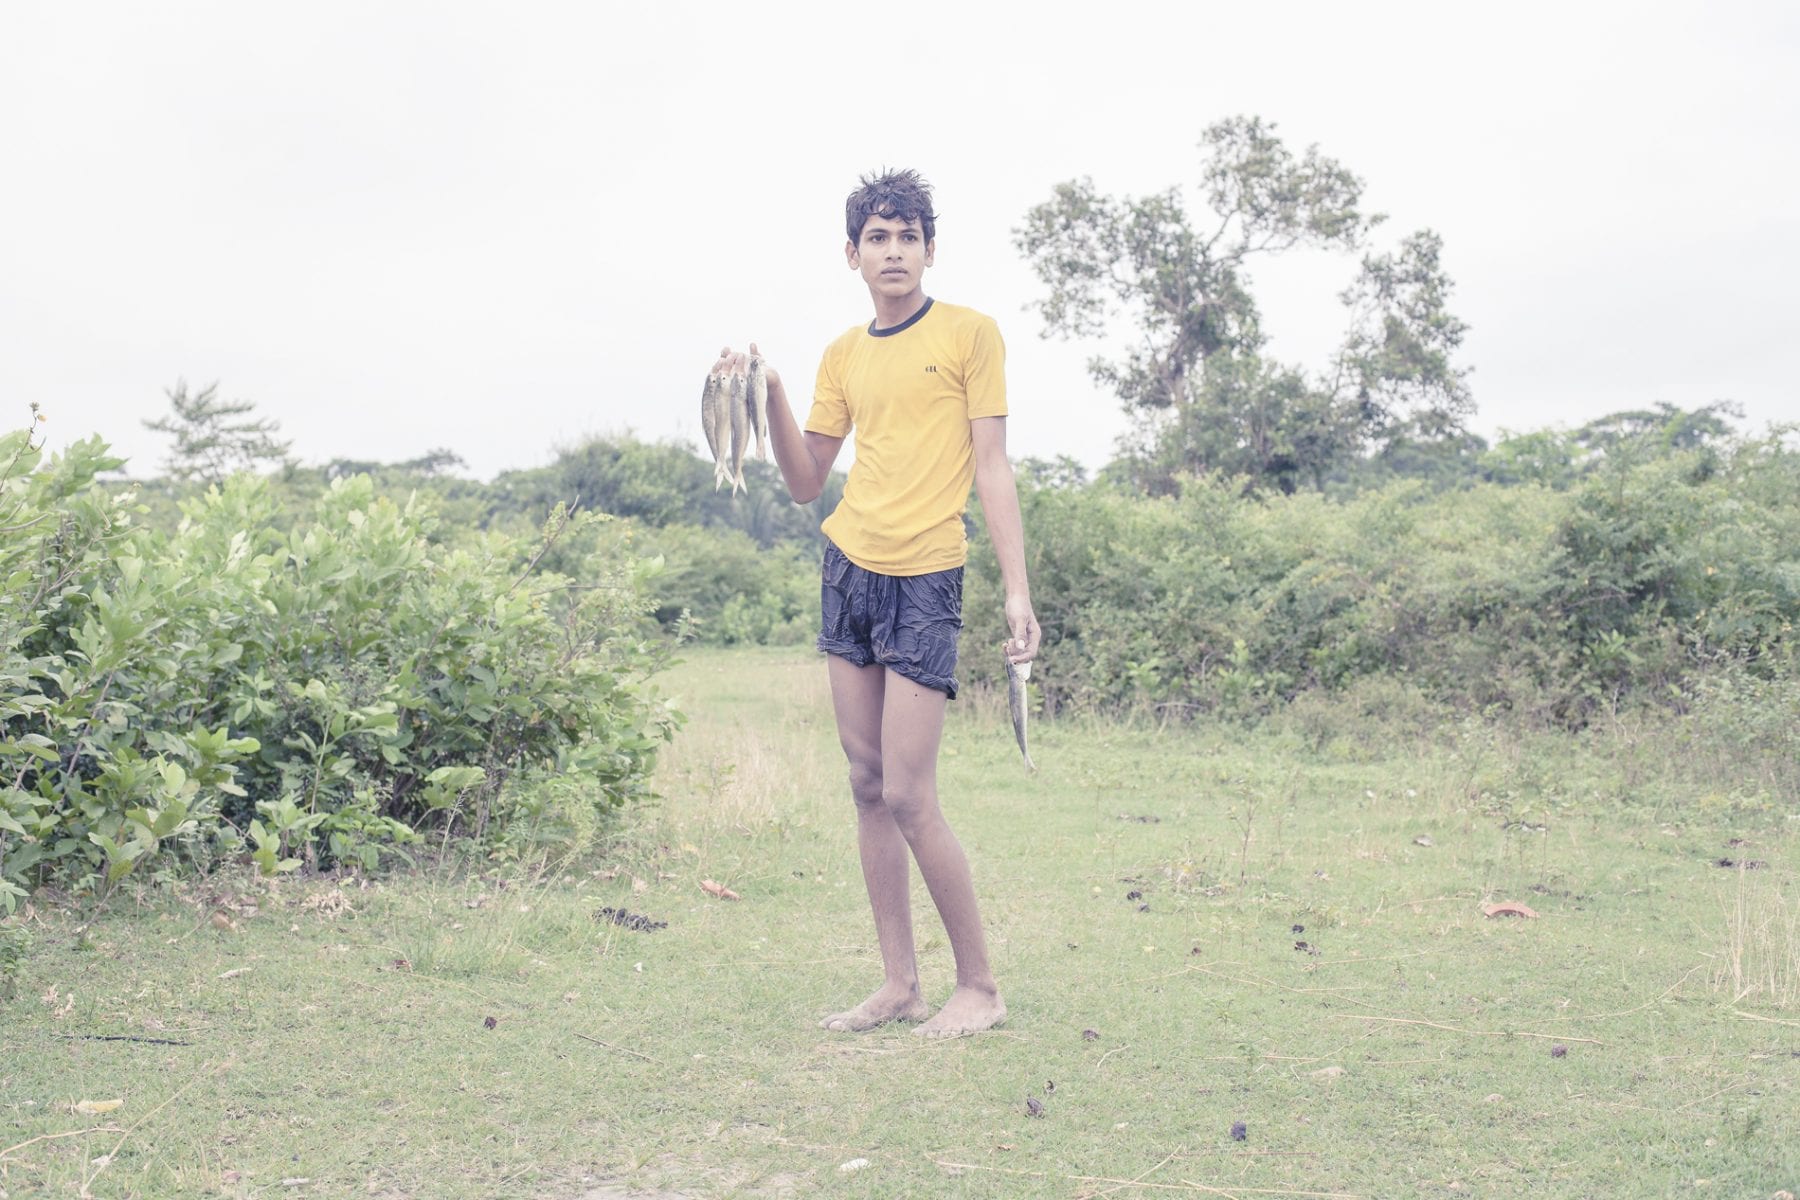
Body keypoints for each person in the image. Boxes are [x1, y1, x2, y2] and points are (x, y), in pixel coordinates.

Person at [711, 168, 1039, 1037]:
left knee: (909, 794)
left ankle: (981, 988)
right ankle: (900, 985)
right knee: (864, 784)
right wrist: (772, 393)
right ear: (851, 255)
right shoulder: (843, 355)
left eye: (909, 237)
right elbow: (803, 481)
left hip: (927, 575)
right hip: (847, 565)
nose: (894, 252)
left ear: (930, 249)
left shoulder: (972, 335)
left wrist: (1016, 590)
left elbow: (993, 465)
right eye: (878, 239)